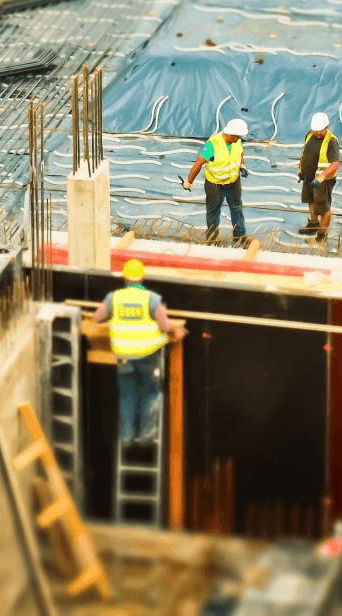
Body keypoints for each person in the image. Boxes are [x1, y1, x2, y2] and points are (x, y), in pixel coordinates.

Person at [94, 259, 185, 445]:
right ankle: (146, 435)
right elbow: (164, 325)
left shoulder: (114, 298)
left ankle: (126, 436)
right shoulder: (151, 299)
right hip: (146, 354)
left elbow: (98, 317)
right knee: (150, 392)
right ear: (142, 277)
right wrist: (176, 332)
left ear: (125, 278)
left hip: (123, 355)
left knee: (127, 394)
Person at [181, 118, 250, 243]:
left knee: (237, 208)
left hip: (233, 183)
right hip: (215, 185)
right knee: (213, 211)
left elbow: (240, 153)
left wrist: (242, 165)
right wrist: (188, 182)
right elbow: (198, 164)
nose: (239, 139)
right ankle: (212, 239)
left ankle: (239, 236)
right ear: (230, 134)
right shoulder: (212, 145)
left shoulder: (236, 141)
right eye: (238, 136)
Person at [298, 112, 340, 242]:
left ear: (326, 127)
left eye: (320, 130)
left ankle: (322, 234)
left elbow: (335, 164)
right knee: (311, 201)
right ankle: (313, 225)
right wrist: (301, 169)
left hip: (322, 182)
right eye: (315, 129)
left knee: (324, 208)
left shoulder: (331, 141)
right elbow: (305, 153)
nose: (317, 133)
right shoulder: (309, 134)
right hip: (308, 178)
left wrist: (322, 177)